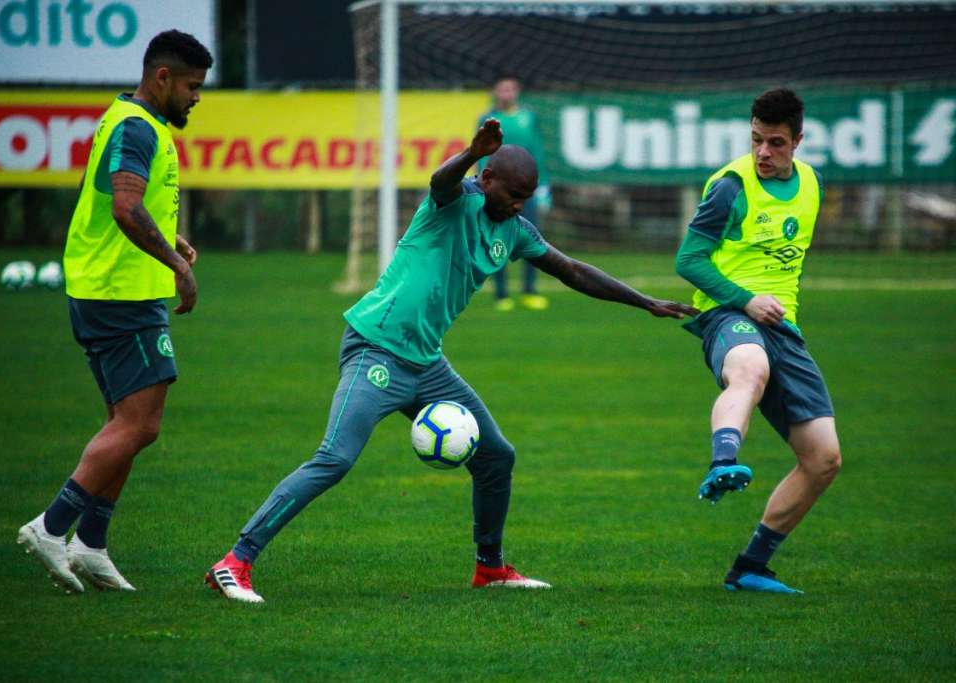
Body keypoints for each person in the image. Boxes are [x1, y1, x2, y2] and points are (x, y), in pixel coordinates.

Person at [206, 118, 698, 604]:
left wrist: (644, 301)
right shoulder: (453, 201)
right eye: (513, 193)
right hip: (375, 347)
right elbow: (439, 180)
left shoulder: (515, 229)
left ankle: (491, 567)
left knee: (497, 456)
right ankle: (236, 561)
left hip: (426, 363)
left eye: (528, 195)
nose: (520, 203)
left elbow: (570, 269)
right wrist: (469, 151)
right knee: (335, 458)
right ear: (486, 180)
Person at [16, 30, 213, 593]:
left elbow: (110, 198)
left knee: (123, 423)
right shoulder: (137, 127)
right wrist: (177, 262)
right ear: (162, 78)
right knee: (140, 424)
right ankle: (52, 527)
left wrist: (170, 233)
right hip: (119, 294)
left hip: (104, 287)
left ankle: (92, 544)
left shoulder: (120, 117)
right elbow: (125, 209)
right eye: (192, 87)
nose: (197, 98)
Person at [674, 88, 841, 594]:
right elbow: (688, 260)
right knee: (749, 368)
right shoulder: (729, 186)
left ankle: (750, 566)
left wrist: (773, 310)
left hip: (784, 329)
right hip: (728, 316)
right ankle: (724, 460)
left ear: (798, 141)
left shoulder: (811, 183)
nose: (763, 153)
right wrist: (745, 299)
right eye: (755, 140)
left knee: (824, 459)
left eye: (775, 143)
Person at [478, 76, 552, 311]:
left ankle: (530, 290)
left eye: (510, 89)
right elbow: (480, 155)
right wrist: (482, 185)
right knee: (497, 239)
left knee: (530, 237)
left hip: (525, 189)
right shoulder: (487, 119)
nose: (506, 94)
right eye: (502, 89)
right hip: (497, 191)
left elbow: (537, 151)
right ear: (495, 92)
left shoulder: (528, 117)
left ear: (517, 92)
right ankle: (501, 294)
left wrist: (543, 185)